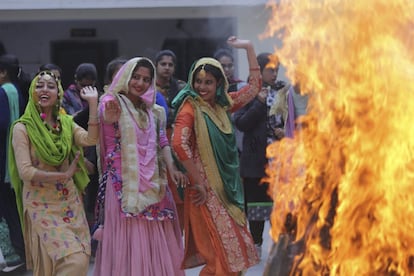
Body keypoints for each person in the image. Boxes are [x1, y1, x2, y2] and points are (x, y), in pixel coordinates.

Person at [171, 36, 261, 275]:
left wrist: (249, 48)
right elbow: (178, 143)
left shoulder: (222, 105)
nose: (202, 87)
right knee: (219, 255)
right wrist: (198, 181)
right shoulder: (190, 107)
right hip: (205, 192)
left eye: (208, 82)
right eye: (198, 81)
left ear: (219, 84)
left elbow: (254, 87)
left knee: (233, 254)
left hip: (229, 189)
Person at [93, 57, 186, 276]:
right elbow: (107, 138)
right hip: (123, 186)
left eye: (146, 79)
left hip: (153, 181)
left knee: (153, 236)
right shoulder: (112, 103)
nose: (140, 83)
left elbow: (161, 139)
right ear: (126, 76)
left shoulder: (152, 110)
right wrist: (106, 115)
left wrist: (171, 166)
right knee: (129, 239)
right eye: (136, 77)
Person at [8, 70, 100, 275]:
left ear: (58, 93)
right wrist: (63, 175)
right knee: (58, 262)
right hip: (40, 205)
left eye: (51, 86)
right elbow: (25, 172)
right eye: (39, 85)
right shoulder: (22, 128)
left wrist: (93, 105)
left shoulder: (66, 124)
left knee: (80, 258)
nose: (44, 89)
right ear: (32, 91)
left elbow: (91, 140)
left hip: (69, 203)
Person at [233, 52, 292, 260]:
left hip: (281, 160)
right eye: (270, 70)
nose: (274, 74)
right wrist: (258, 103)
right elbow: (241, 123)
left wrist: (286, 133)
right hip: (255, 160)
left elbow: (296, 118)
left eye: (276, 70)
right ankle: (256, 245)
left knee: (282, 203)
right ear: (258, 70)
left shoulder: (286, 91)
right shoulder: (248, 92)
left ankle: (281, 244)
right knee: (257, 206)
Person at [154, 49, 187, 230]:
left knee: (179, 185)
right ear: (156, 65)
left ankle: (180, 230)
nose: (167, 68)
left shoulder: (182, 87)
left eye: (170, 65)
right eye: (163, 64)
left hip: (178, 140)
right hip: (155, 142)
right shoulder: (147, 88)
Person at [0, 53, 26, 272]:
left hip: (3, 159)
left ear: (3, 72)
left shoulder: (3, 91)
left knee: (8, 210)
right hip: (14, 157)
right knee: (15, 207)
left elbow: (2, 122)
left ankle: (17, 254)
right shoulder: (16, 90)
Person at [214, 47, 248, 153]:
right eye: (223, 66)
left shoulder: (241, 87)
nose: (227, 69)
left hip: (238, 139)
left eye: (230, 66)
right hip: (216, 138)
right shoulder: (209, 88)